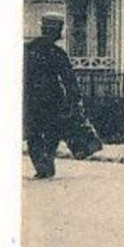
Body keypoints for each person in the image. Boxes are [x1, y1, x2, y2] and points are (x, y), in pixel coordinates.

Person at [23, 14, 82, 179]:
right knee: (52, 133)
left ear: (43, 29)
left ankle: (42, 166)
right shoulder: (57, 53)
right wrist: (74, 99)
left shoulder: (28, 49)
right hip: (52, 100)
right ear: (56, 31)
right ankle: (47, 163)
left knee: (33, 134)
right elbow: (69, 79)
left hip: (30, 99)